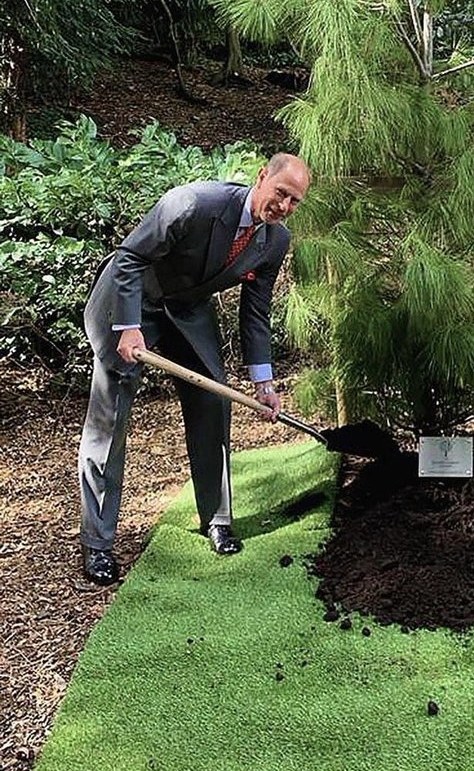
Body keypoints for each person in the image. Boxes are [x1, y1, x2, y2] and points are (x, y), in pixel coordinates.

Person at [78, 154, 311, 587]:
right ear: (262, 177)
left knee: (213, 399)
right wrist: (128, 327)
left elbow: (256, 311)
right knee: (110, 416)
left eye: (295, 201)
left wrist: (264, 383)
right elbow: (129, 257)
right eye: (281, 193)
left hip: (186, 309)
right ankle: (98, 543)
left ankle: (217, 519)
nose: (284, 206)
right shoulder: (193, 203)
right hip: (129, 299)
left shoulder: (274, 241)